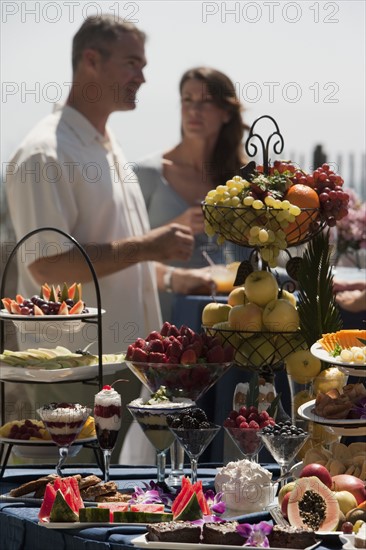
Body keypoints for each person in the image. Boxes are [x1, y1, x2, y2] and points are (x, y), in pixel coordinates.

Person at [4, 14, 214, 463]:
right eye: (132, 63)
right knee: (58, 500)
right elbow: (48, 267)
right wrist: (150, 245)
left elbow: (118, 255)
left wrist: (175, 278)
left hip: (116, 368)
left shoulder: (105, 145)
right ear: (91, 60)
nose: (143, 76)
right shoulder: (46, 152)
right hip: (71, 371)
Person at [135, 66, 250, 320]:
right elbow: (121, 250)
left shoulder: (241, 181)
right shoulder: (147, 173)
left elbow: (250, 257)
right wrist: (177, 225)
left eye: (206, 101)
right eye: (187, 100)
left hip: (226, 317)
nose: (194, 110)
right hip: (158, 316)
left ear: (227, 113)